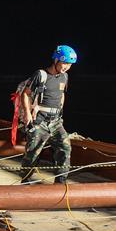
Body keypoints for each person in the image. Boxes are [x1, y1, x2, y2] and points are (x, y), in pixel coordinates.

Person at [20, 45, 78, 183]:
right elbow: (25, 94)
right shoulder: (41, 75)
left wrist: (60, 112)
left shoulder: (65, 76)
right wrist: (27, 113)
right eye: (64, 63)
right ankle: (26, 180)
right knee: (33, 153)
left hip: (56, 121)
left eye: (69, 64)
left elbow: (62, 94)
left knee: (65, 148)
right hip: (40, 120)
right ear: (56, 60)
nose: (66, 67)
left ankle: (60, 182)